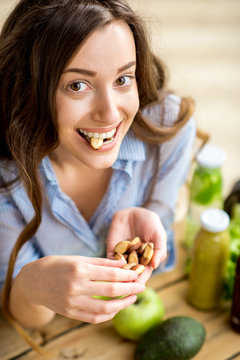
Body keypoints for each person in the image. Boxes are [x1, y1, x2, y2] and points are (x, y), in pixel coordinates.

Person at [0, 0, 195, 348]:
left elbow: (163, 229)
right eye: (78, 85)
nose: (109, 113)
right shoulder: (7, 175)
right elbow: (23, 316)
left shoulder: (168, 128)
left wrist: (153, 216)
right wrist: (30, 284)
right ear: (29, 89)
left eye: (123, 78)